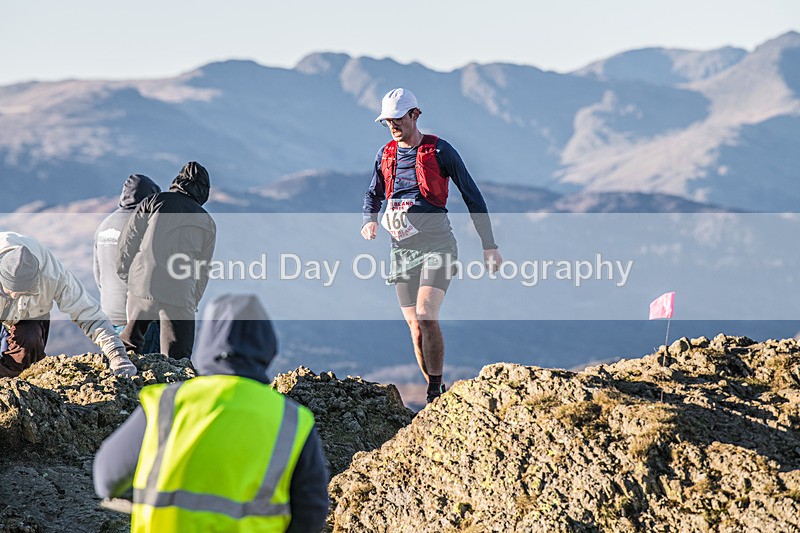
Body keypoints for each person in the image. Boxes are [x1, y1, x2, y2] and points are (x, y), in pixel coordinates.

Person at [94, 293, 329, 533]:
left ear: (207, 342)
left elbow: (106, 479)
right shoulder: (291, 420)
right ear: (267, 347)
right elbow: (312, 510)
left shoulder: (167, 403)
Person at [362, 88, 502, 403]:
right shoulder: (384, 154)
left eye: (398, 118)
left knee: (426, 315)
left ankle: (435, 388)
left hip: (438, 244)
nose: (393, 126)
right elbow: (373, 193)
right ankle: (434, 393)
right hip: (401, 250)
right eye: (387, 121)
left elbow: (472, 195)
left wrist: (488, 245)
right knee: (415, 328)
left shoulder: (441, 151)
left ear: (415, 115)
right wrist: (368, 220)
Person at [0, 231, 137, 377]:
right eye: (9, 291)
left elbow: (88, 312)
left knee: (29, 344)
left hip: (29, 313)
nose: (14, 295)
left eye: (23, 291)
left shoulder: (53, 276)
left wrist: (118, 355)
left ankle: (12, 382)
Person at [117, 162, 216, 358]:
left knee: (129, 346)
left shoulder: (154, 201)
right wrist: (192, 298)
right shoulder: (207, 221)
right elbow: (202, 269)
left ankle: (122, 383)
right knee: (178, 360)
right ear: (204, 191)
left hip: (143, 285)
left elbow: (128, 242)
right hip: (180, 293)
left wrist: (127, 274)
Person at [94, 174, 161, 352]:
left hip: (110, 316)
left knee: (120, 372)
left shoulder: (105, 225)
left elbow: (98, 274)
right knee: (149, 375)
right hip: (140, 320)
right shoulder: (146, 224)